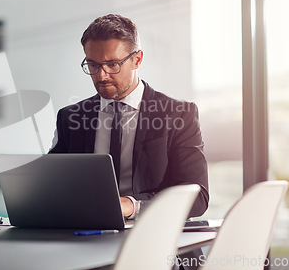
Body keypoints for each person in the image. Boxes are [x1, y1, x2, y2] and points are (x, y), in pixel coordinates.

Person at [49, 14, 209, 220]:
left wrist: (133, 206)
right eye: (93, 65)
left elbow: (197, 197)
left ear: (137, 59)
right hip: (86, 238)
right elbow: (52, 187)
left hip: (155, 237)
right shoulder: (70, 118)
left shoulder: (179, 114)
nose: (101, 75)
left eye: (113, 64)